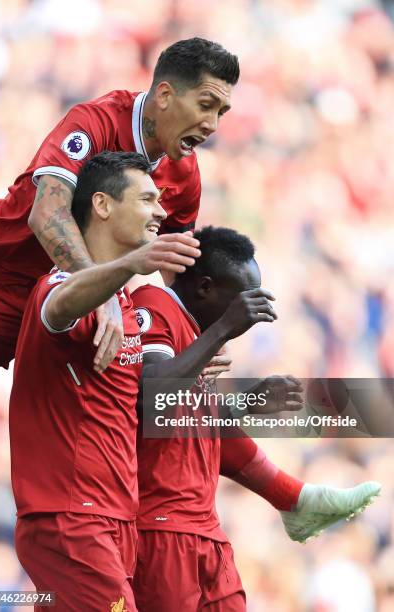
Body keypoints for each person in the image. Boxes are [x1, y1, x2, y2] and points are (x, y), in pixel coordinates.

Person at [131, 226, 381, 611]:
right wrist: (222, 329)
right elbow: (153, 402)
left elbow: (184, 427)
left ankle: (294, 498)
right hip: (163, 528)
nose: (251, 313)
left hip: (204, 528)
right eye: (243, 299)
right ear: (205, 287)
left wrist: (247, 401)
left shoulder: (196, 341)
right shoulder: (154, 302)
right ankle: (295, 499)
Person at [9, 151, 201, 612]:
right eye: (147, 198)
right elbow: (57, 308)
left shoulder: (125, 306)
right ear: (102, 205)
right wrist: (130, 264)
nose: (160, 211)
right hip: (73, 518)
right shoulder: (62, 284)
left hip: (113, 517)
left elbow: (133, 405)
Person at [0, 37, 238, 372]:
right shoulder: (96, 122)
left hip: (63, 313)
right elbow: (47, 213)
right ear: (164, 95)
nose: (212, 125)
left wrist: (199, 337)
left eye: (221, 112)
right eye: (206, 105)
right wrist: (98, 291)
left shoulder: (185, 174)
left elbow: (177, 269)